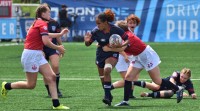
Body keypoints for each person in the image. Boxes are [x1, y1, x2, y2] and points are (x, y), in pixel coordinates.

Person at [1, 5, 69, 110]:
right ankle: (7, 86)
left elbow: (46, 35)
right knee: (31, 85)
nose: (50, 14)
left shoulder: (39, 22)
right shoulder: (42, 23)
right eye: (49, 12)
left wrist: (59, 34)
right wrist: (58, 48)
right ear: (43, 14)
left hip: (37, 54)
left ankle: (56, 104)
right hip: (30, 55)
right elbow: (46, 41)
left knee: (51, 77)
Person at [102, 20, 184, 106]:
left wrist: (109, 49)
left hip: (147, 56)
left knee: (157, 81)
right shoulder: (122, 36)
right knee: (128, 78)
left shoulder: (128, 37)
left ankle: (178, 88)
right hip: (137, 56)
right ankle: (125, 101)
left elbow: (121, 49)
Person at [84, 9, 129, 106]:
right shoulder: (95, 31)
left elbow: (127, 39)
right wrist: (86, 41)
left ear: (105, 22)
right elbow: (88, 44)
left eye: (99, 23)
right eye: (96, 23)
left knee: (107, 70)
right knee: (102, 78)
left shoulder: (115, 29)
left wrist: (119, 46)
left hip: (112, 54)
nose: (97, 25)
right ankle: (108, 95)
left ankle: (107, 97)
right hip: (100, 54)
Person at [111, 14, 141, 98]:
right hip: (121, 58)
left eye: (134, 23)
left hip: (130, 57)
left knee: (134, 77)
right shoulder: (123, 34)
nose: (132, 25)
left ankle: (130, 94)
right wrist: (125, 56)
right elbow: (119, 47)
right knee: (127, 80)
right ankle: (108, 87)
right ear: (126, 24)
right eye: (130, 23)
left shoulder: (132, 33)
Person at [42, 3, 67, 98]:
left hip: (53, 48)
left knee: (55, 66)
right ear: (42, 13)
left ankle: (56, 89)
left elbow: (58, 36)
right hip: (42, 49)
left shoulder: (55, 22)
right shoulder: (38, 23)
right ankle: (49, 91)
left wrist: (61, 46)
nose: (49, 13)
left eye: (49, 11)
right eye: (47, 12)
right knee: (45, 71)